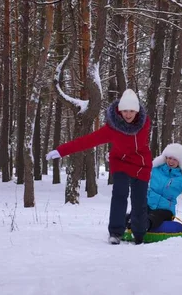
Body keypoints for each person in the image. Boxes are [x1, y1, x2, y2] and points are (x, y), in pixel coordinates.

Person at [46, 89, 151, 245]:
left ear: (137, 111)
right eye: (124, 111)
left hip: (141, 165)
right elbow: (87, 141)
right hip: (120, 162)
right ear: (119, 110)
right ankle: (115, 232)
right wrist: (62, 151)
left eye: (131, 111)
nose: (128, 114)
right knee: (120, 194)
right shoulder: (112, 128)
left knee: (139, 199)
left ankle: (140, 234)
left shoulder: (145, 124)